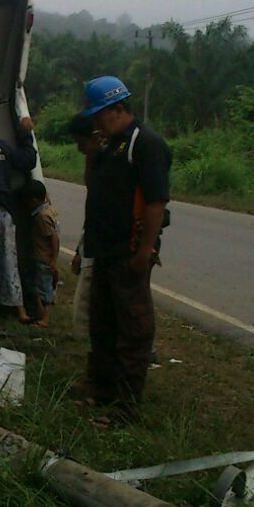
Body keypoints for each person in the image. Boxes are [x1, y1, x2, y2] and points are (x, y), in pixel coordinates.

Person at [78, 75, 171, 426]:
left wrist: (145, 250)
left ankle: (126, 407)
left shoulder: (145, 144)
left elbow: (155, 201)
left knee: (133, 328)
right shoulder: (110, 145)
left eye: (100, 115)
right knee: (102, 324)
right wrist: (91, 153)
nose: (96, 122)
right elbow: (92, 185)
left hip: (129, 250)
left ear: (118, 109)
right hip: (104, 250)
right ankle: (102, 389)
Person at [0, 115, 37, 324]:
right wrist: (25, 133)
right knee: (10, 261)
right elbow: (28, 161)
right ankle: (21, 311)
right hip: (6, 212)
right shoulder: (1, 146)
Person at [66, 112, 104, 340]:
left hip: (105, 250)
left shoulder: (113, 166)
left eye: (82, 143)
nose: (80, 150)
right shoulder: (97, 165)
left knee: (85, 310)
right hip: (93, 246)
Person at [21, 180, 59, 327]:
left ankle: (46, 318)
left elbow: (53, 238)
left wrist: (54, 260)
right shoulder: (50, 210)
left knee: (45, 290)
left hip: (44, 259)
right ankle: (40, 312)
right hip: (41, 258)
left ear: (34, 201)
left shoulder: (41, 217)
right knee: (36, 285)